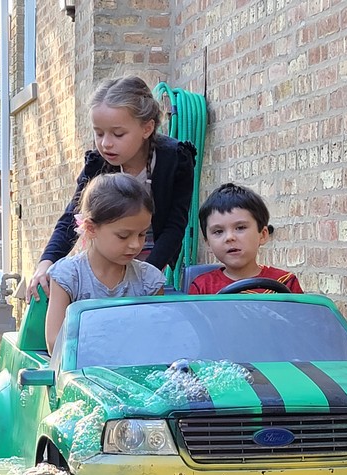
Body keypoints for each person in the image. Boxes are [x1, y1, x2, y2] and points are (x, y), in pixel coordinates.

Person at [27, 75, 196, 300]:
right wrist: (47, 262)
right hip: (105, 261)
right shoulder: (98, 164)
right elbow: (73, 216)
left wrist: (147, 275)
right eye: (99, 133)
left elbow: (175, 225)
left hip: (152, 259)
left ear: (147, 128)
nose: (106, 143)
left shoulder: (175, 159)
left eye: (118, 134)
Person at [45, 173, 166, 353]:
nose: (135, 244)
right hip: (82, 368)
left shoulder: (149, 280)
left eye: (142, 234)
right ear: (91, 228)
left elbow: (159, 337)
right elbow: (54, 343)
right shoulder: (68, 276)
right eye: (123, 236)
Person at [189, 183, 303, 294]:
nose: (229, 237)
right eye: (218, 231)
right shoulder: (202, 288)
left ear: (263, 235)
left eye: (240, 228)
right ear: (207, 241)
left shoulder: (285, 283)